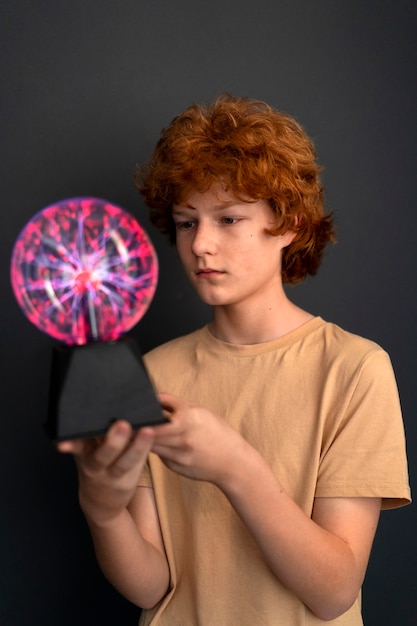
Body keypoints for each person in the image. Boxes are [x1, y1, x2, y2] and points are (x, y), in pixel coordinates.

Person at [58, 95, 411, 625]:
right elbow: (151, 587)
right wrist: (102, 509)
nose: (201, 244)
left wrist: (236, 468)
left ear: (289, 223)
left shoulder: (354, 369)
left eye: (228, 218)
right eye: (185, 222)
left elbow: (335, 590)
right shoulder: (152, 373)